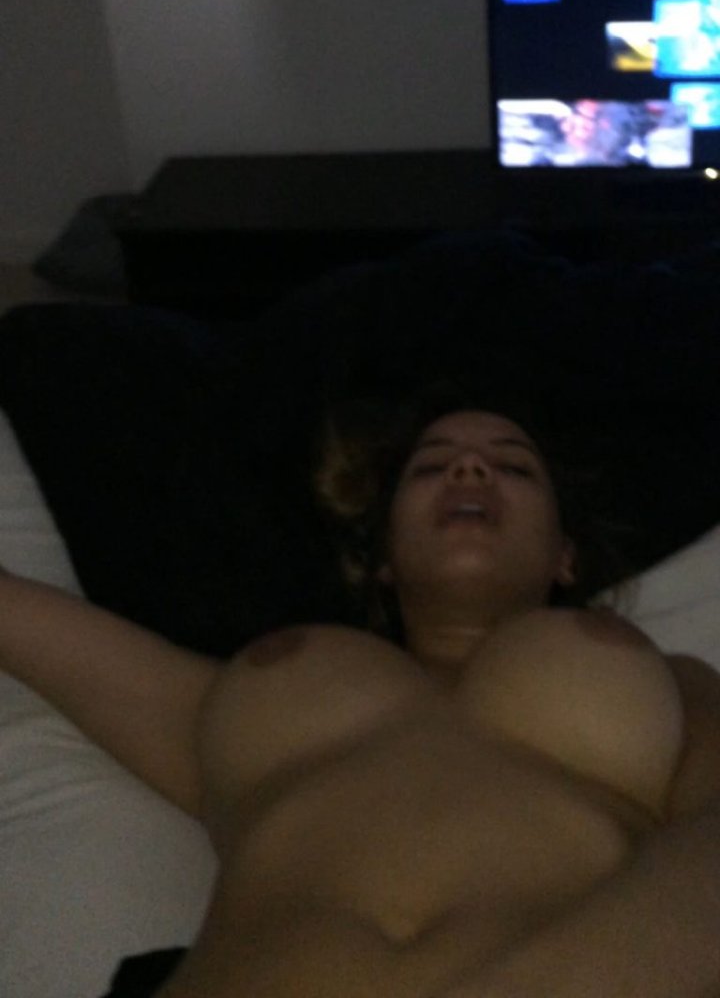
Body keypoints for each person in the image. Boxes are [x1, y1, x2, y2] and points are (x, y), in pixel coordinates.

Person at [2, 381, 720, 998]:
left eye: (514, 468)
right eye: (430, 466)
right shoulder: (249, 708)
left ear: (565, 555)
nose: (470, 467)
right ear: (382, 559)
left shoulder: (666, 683)